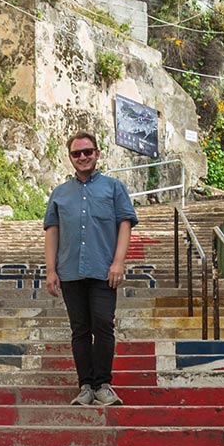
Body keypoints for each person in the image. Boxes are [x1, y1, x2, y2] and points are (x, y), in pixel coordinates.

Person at [43, 132, 137, 406]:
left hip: (103, 270)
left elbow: (125, 224)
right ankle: (85, 386)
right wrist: (51, 270)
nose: (83, 157)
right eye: (77, 154)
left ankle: (103, 385)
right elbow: (52, 231)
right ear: (70, 158)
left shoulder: (114, 188)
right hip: (70, 271)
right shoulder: (60, 193)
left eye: (87, 152)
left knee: (104, 326)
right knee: (80, 330)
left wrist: (118, 262)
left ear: (97, 154)